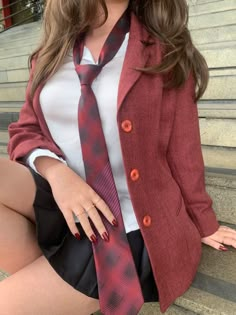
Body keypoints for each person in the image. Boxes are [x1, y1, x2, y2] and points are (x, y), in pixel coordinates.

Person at [0, 0, 235, 314]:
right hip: (64, 203)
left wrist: (204, 222)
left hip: (126, 224)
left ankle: (56, 281)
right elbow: (25, 130)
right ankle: (54, 281)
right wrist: (58, 175)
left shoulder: (165, 52)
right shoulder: (51, 52)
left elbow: (184, 153)